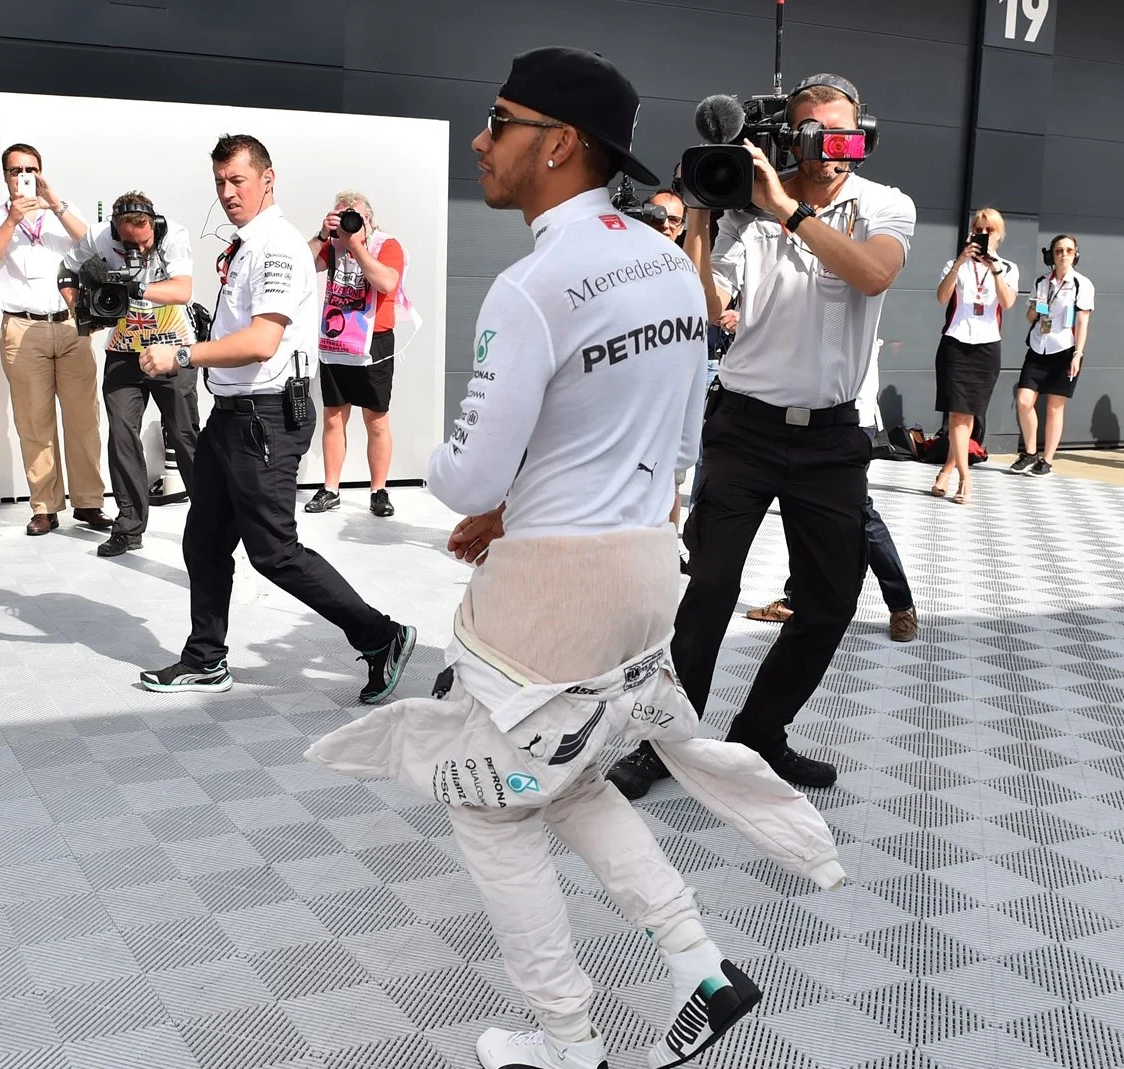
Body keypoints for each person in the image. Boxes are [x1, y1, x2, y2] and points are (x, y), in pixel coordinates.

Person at [308, 49, 848, 1069]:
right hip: (648, 572)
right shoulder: (661, 259)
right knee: (563, 779)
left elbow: (462, 480)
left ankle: (565, 1041)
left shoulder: (531, 284)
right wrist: (528, 498)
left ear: (557, 144)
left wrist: (455, 466)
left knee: (489, 807)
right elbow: (673, 429)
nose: (481, 138)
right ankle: (698, 966)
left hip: (551, 595)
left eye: (498, 120)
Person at [669, 73, 916, 792]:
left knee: (830, 600)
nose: (834, 150)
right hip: (743, 425)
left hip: (832, 437)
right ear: (789, 134)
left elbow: (873, 276)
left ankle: (757, 734)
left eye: (847, 135)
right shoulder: (748, 207)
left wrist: (788, 211)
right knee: (708, 588)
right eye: (817, 133)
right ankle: (666, 741)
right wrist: (702, 218)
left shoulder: (882, 206)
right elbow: (708, 304)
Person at [135, 134, 414, 703]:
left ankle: (380, 636)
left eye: (238, 180)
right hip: (231, 416)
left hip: (264, 418)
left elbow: (263, 341)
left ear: (268, 179)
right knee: (204, 541)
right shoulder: (248, 244)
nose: (228, 192)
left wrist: (182, 354)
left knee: (274, 552)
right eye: (220, 182)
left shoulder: (278, 246)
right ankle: (205, 658)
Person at [0, 143, 110, 536]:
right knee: (34, 421)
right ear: (5, 176)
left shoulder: (62, 211)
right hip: (22, 326)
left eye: (30, 169)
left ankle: (89, 503)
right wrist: (13, 220)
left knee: (84, 419)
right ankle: (45, 506)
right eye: (16, 170)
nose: (23, 176)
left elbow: (96, 249)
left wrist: (55, 203)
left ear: (41, 171)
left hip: (70, 325)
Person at [59, 191, 199, 557]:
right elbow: (66, 270)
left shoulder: (174, 235)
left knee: (184, 435)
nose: (138, 247)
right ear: (116, 231)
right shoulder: (97, 236)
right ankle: (129, 527)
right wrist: (83, 308)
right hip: (123, 351)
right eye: (130, 242)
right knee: (121, 435)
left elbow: (183, 290)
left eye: (145, 240)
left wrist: (135, 287)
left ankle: (210, 520)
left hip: (172, 347)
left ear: (154, 226)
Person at [303, 191, 410, 518]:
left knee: (376, 419)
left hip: (373, 341)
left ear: (369, 221)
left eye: (353, 218)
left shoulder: (386, 245)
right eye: (341, 217)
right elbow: (302, 268)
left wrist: (356, 245)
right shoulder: (332, 243)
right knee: (333, 416)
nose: (347, 225)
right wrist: (323, 235)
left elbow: (386, 283)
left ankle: (378, 490)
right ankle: (331, 488)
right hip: (336, 341)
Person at [930, 208, 1018, 503]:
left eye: (989, 230)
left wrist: (993, 269)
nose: (984, 234)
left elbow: (1007, 303)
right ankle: (965, 480)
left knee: (969, 415)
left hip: (987, 345)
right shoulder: (956, 264)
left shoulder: (1007, 267)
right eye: (979, 229)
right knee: (957, 414)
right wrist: (959, 262)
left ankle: (947, 469)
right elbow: (942, 297)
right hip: (956, 342)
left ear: (999, 234)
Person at [1010, 234, 1095, 476]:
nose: (1064, 255)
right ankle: (1029, 452)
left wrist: (1078, 354)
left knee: (1055, 408)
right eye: (1059, 250)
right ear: (1052, 255)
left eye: (1069, 250)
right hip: (1039, 346)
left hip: (1065, 349)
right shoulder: (1042, 282)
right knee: (1024, 400)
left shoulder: (1081, 284)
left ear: (1075, 254)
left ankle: (1046, 459)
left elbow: (1083, 320)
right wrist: (1035, 307)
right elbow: (1030, 318)